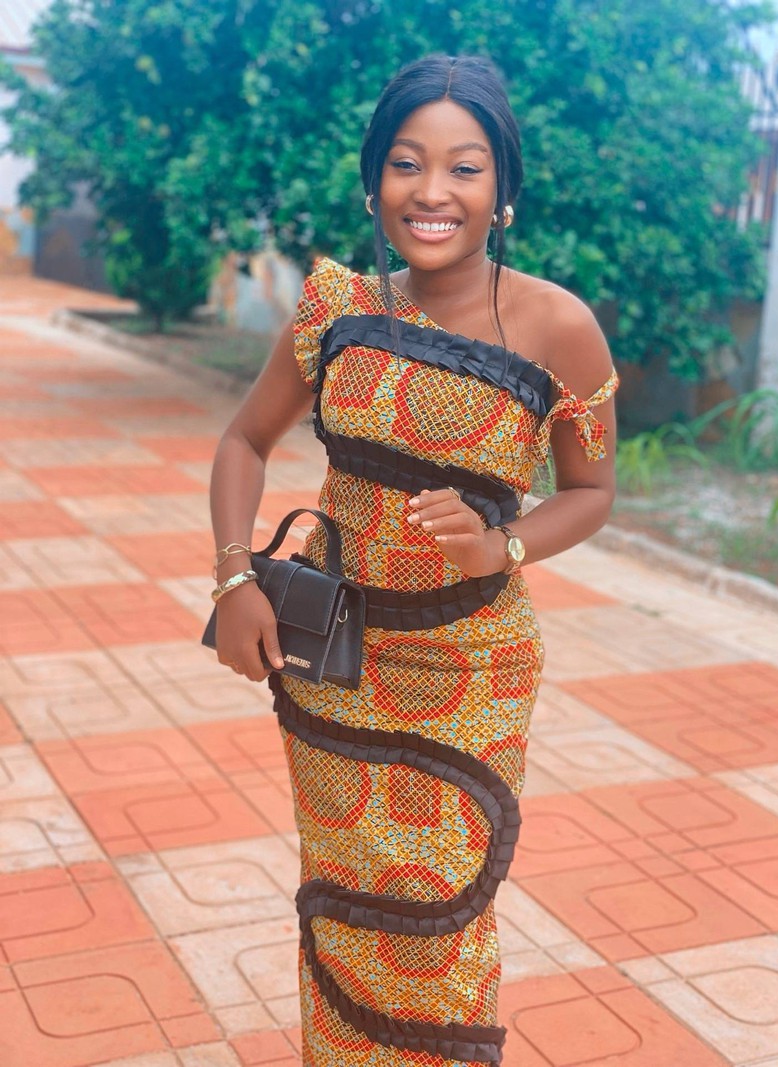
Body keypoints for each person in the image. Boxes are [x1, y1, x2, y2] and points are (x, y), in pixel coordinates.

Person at [209, 53, 617, 1067]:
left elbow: (591, 489)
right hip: (335, 665)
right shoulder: (333, 306)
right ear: (373, 182)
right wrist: (233, 576)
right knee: (344, 906)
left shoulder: (558, 327)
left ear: (502, 188)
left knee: (439, 917)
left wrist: (499, 543)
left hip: (470, 673)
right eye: (406, 162)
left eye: (463, 167)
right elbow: (243, 440)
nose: (432, 191)